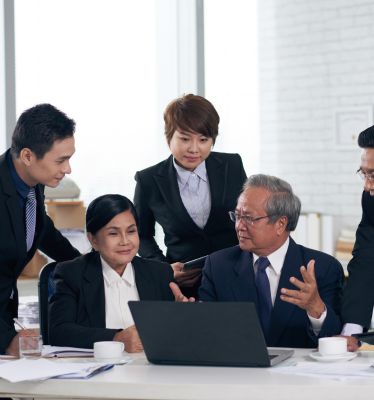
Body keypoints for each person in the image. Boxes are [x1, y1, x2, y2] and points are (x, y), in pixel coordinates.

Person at [171, 174, 344, 348]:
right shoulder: (218, 266)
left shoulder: (324, 268)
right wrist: (189, 318)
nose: (239, 226)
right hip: (239, 372)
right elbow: (208, 335)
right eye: (237, 216)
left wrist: (316, 309)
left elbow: (336, 341)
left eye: (248, 218)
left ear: (280, 224)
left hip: (300, 371)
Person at [134, 94, 247, 297]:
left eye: (203, 140)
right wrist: (164, 269)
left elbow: (248, 216)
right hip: (184, 284)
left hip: (235, 274)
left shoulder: (232, 165)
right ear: (169, 136)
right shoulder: (149, 180)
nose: (194, 148)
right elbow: (142, 234)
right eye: (185, 138)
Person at [0, 104, 80, 356]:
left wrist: (88, 264)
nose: (68, 169)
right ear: (27, 156)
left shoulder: (32, 183)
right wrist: (4, 339)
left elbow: (41, 228)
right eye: (61, 160)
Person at [49, 194, 174, 352]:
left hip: (149, 368)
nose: (125, 241)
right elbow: (58, 332)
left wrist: (181, 316)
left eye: (131, 231)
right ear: (93, 240)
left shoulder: (160, 273)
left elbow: (168, 335)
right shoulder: (71, 273)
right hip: (97, 368)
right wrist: (116, 338)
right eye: (113, 233)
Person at [341, 126, 374, 341]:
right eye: (365, 174)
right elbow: (366, 260)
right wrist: (352, 332)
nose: (368, 185)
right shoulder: (370, 198)